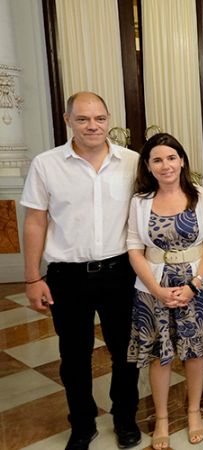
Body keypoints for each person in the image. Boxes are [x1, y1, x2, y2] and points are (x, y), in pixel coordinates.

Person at [21, 92, 141, 450]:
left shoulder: (131, 162)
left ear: (109, 119)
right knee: (74, 356)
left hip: (121, 273)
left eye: (100, 118)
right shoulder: (47, 164)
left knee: (126, 353)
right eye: (84, 119)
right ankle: (82, 423)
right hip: (67, 276)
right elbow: (35, 221)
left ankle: (125, 419)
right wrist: (32, 277)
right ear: (67, 119)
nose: (93, 126)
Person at [125, 133, 203, 449]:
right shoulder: (139, 202)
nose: (166, 165)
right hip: (153, 288)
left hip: (196, 288)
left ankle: (195, 411)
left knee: (195, 352)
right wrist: (157, 289)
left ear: (182, 161)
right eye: (157, 159)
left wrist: (194, 285)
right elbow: (133, 247)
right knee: (161, 355)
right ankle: (161, 419)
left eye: (171, 158)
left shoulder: (201, 196)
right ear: (148, 165)